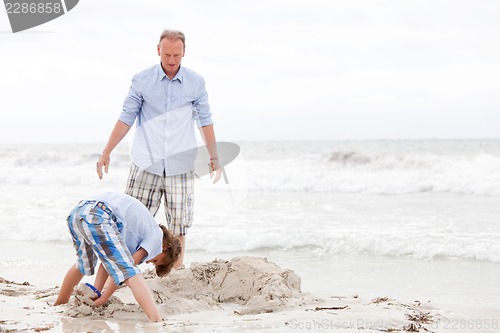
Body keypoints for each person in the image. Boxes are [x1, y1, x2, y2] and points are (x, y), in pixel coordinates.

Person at [96, 29, 221, 269]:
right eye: (167, 54)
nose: (171, 60)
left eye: (176, 54)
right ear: (158, 51)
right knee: (129, 222)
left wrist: (214, 156)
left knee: (179, 226)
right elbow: (126, 118)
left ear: (184, 52)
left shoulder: (196, 83)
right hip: (146, 162)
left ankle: (174, 275)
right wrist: (106, 151)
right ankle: (124, 272)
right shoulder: (142, 80)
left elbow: (205, 120)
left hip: (181, 165)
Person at [53, 192, 182, 322]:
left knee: (83, 264)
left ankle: (59, 304)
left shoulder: (138, 232)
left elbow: (107, 262)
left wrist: (97, 291)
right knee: (130, 271)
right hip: (99, 215)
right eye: (155, 260)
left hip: (78, 213)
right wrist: (104, 298)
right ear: (166, 247)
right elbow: (126, 269)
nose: (149, 262)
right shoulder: (156, 237)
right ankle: (156, 319)